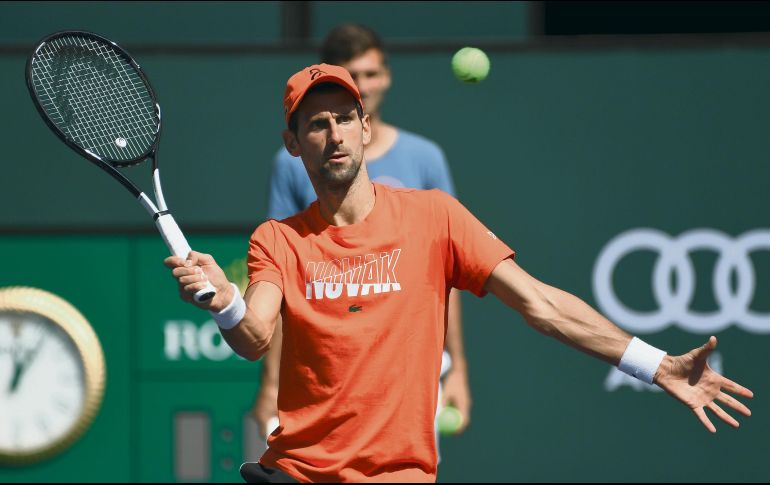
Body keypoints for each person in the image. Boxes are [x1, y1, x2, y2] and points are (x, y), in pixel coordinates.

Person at [165, 64, 753, 483]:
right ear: (293, 143)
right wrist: (225, 300)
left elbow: (540, 304)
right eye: (317, 124)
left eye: (345, 118)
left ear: (366, 127)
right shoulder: (277, 239)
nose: (335, 134)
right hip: (298, 472)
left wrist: (657, 366)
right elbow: (254, 336)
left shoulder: (434, 216)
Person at [255, 23, 472, 448]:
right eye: (355, 75)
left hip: (408, 372)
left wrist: (458, 367)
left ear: (386, 78)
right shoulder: (291, 164)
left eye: (372, 74)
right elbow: (279, 283)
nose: (366, 85)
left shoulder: (426, 158)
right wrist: (270, 383)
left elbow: (449, 272)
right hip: (326, 376)